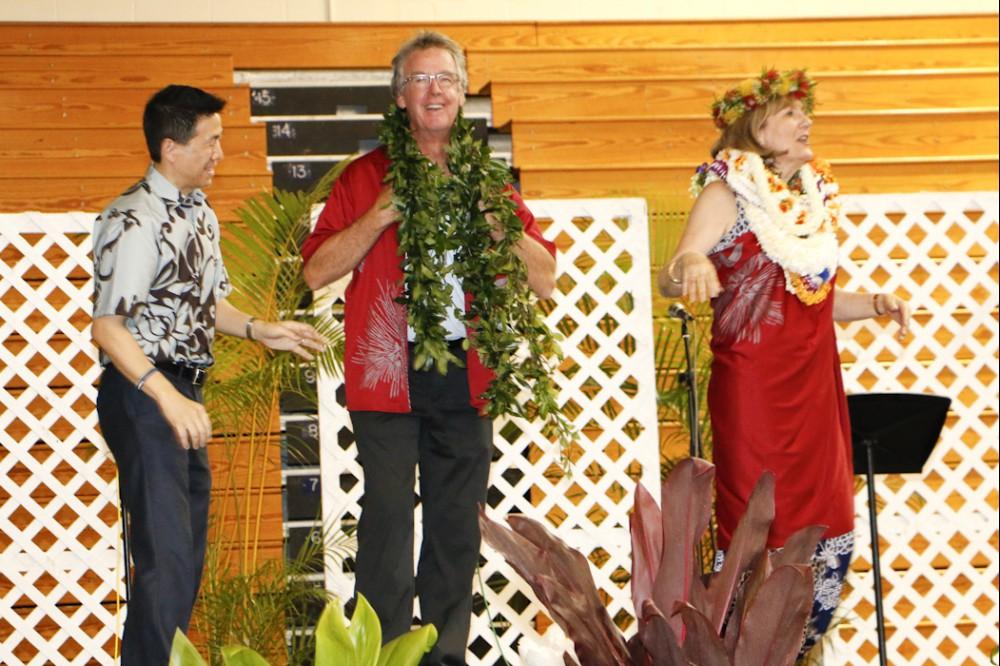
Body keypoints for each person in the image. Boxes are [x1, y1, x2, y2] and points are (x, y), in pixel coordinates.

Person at [301, 31, 555, 666]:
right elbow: (316, 270)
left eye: (444, 78)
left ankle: (443, 657)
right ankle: (385, 656)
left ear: (462, 92)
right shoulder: (365, 176)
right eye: (418, 80)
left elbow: (545, 277)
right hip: (387, 370)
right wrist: (378, 216)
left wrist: (496, 219)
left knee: (455, 526)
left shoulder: (488, 178)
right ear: (399, 97)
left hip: (466, 372)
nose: (433, 90)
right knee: (388, 520)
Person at [657, 69, 911, 655]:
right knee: (758, 513)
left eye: (805, 112)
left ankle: (797, 646)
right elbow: (675, 275)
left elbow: (814, 299)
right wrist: (689, 263)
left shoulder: (810, 202)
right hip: (755, 388)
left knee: (824, 512)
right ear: (756, 128)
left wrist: (873, 303)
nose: (806, 121)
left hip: (814, 389)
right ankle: (746, 648)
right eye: (791, 113)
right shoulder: (726, 193)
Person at [92, 84, 325, 664]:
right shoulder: (133, 218)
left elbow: (206, 304)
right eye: (211, 141)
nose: (221, 153)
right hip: (146, 394)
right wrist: (165, 397)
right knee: (166, 559)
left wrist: (260, 329)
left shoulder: (198, 211)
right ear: (172, 148)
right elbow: (108, 328)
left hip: (183, 392)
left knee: (184, 560)